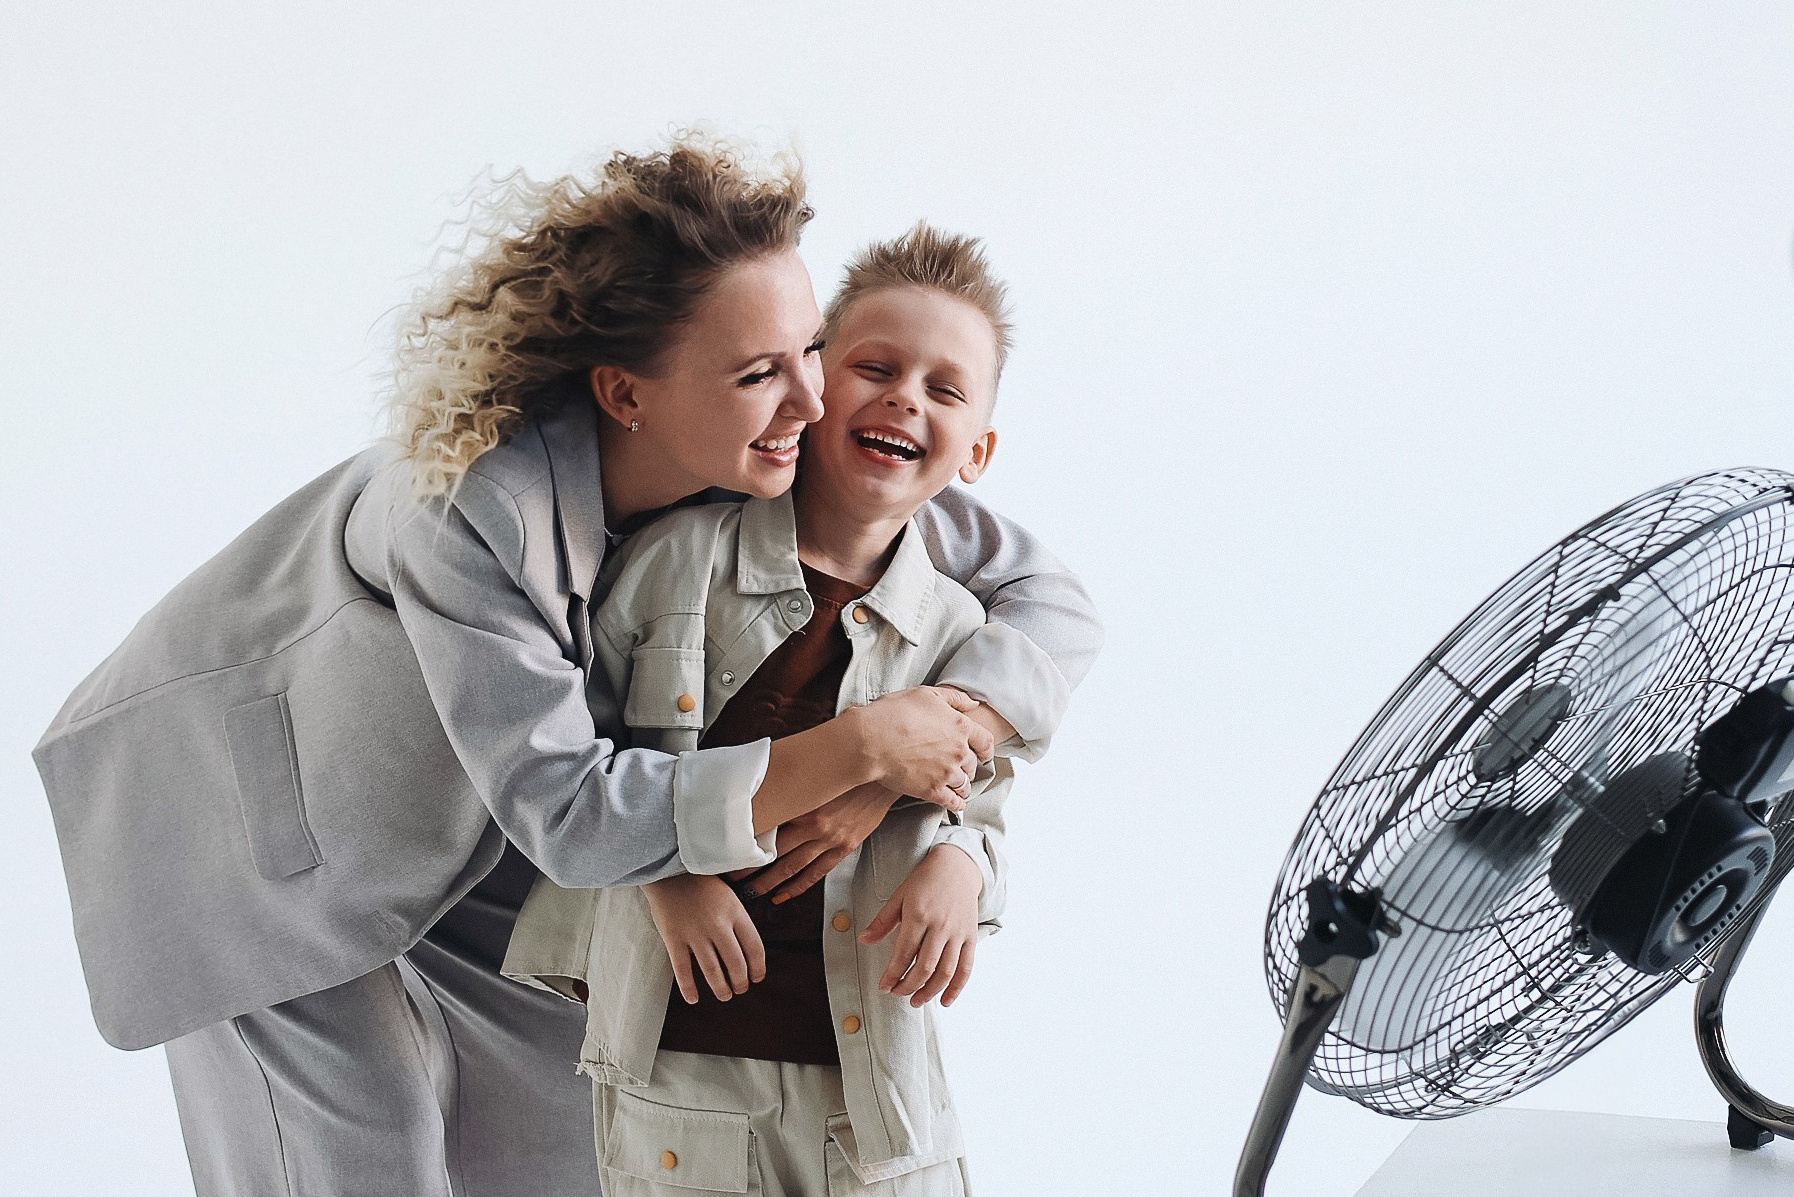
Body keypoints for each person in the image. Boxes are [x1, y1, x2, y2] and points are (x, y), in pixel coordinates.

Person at [32, 136, 1101, 1196]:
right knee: (367, 1149)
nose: (817, 405)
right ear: (627, 394)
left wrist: (906, 761)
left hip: (477, 835)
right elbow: (575, 813)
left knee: (575, 1127)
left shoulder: (754, 451)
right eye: (760, 372)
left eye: (812, 350)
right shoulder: (467, 508)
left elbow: (1044, 596)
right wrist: (859, 745)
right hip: (256, 833)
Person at [504, 223, 1047, 1196]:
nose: (904, 397)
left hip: (877, 1087)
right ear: (811, 387)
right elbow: (581, 763)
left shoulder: (964, 632)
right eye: (873, 367)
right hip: (680, 1068)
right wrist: (665, 878)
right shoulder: (679, 560)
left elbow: (986, 805)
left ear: (978, 450)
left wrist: (964, 866)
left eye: (944, 388)